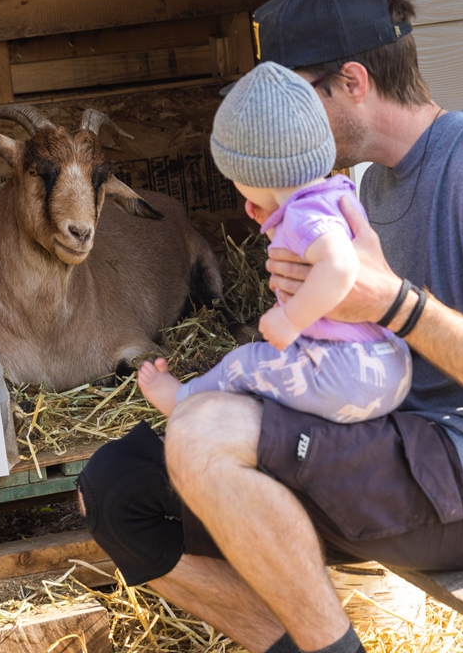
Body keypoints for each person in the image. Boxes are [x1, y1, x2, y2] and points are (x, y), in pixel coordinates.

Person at [76, 0, 463, 653]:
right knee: (117, 485)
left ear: (351, 82)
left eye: (293, 103)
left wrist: (393, 302)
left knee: (207, 430)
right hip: (386, 441)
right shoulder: (360, 188)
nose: (277, 132)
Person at [137, 61, 413, 425]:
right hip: (392, 363)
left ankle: (182, 399)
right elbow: (313, 248)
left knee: (244, 362)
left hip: (349, 371)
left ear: (255, 174)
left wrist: (289, 318)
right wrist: (273, 221)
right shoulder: (333, 193)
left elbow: (341, 265)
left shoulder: (303, 216)